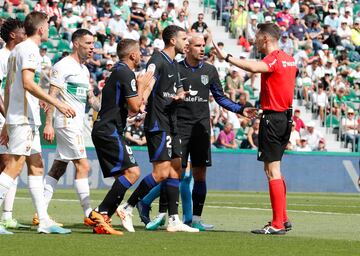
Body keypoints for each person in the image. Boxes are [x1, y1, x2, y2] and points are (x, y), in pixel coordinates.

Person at [137, 33, 255, 231]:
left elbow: (220, 97)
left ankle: (195, 219)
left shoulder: (209, 70)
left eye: (204, 46)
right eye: (198, 45)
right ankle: (161, 213)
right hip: (178, 127)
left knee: (200, 175)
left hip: (200, 128)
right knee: (174, 173)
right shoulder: (176, 68)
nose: (203, 49)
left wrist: (241, 109)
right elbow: (158, 92)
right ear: (187, 47)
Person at [213, 22, 297, 235]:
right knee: (275, 168)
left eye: (257, 37)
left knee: (272, 170)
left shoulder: (274, 60)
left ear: (266, 39)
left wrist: (227, 57)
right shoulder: (289, 60)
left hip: (273, 118)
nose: (255, 41)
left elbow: (254, 67)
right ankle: (283, 218)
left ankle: (277, 224)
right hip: (285, 118)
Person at [116, 25, 199, 233]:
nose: (186, 42)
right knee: (161, 173)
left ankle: (173, 220)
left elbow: (177, 90)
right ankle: (128, 206)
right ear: (173, 40)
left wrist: (181, 95)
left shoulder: (174, 65)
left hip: (172, 123)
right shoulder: (157, 60)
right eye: (184, 38)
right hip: (158, 123)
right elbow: (147, 81)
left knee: (176, 169)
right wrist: (141, 101)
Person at [0, 11, 75, 234]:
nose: (50, 29)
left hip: (23, 117)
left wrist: (6, 121)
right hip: (23, 118)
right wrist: (57, 103)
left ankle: (44, 221)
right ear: (41, 29)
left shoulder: (17, 51)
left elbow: (9, 86)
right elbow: (27, 83)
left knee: (37, 164)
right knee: (14, 166)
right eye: (48, 26)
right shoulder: (30, 49)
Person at [32, 29, 99, 228]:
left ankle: (40, 212)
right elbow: (52, 95)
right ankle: (89, 213)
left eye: (93, 44)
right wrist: (49, 123)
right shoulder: (62, 66)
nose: (92, 48)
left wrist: (110, 104)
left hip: (76, 124)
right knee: (84, 166)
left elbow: (91, 100)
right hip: (65, 122)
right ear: (76, 43)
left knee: (58, 168)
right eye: (88, 43)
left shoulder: (84, 70)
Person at [90, 39, 154, 235]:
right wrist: (143, 85)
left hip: (105, 129)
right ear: (132, 55)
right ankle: (100, 212)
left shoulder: (118, 71)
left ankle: (103, 220)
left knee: (123, 177)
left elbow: (129, 107)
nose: (141, 56)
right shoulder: (126, 73)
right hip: (109, 130)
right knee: (133, 173)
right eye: (139, 53)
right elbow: (135, 106)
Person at [0, 18, 29, 234]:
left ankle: (7, 217)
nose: (25, 34)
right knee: (9, 164)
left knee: (12, 165)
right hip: (4, 117)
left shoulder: (16, 56)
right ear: (13, 35)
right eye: (22, 32)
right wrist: (7, 116)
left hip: (11, 116)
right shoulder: (2, 56)